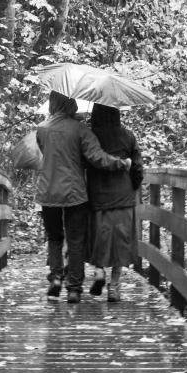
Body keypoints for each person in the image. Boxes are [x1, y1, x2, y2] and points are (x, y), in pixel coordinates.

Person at [36, 91, 131, 304]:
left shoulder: (41, 129)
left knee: (54, 238)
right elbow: (97, 158)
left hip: (48, 192)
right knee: (75, 239)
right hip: (74, 192)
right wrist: (121, 163)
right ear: (71, 104)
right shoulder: (80, 129)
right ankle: (74, 288)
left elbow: (48, 153)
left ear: (52, 104)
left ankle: (55, 278)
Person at [86, 103, 144, 302]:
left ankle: (99, 270)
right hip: (123, 194)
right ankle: (114, 287)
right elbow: (137, 166)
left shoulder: (90, 135)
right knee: (121, 239)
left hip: (98, 194)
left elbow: (84, 161)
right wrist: (134, 185)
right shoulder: (128, 136)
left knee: (100, 235)